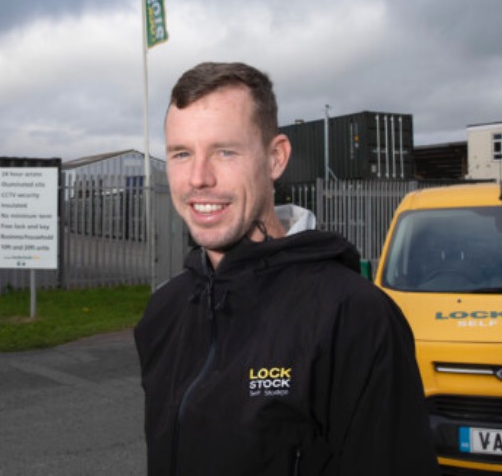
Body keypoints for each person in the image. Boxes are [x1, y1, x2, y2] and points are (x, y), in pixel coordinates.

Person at [134, 62, 439, 476]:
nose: (198, 178)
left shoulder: (354, 316)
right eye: (181, 154)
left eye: (225, 151)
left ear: (275, 158)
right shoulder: (164, 312)